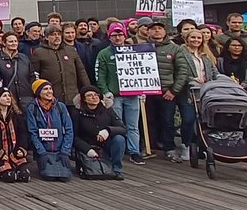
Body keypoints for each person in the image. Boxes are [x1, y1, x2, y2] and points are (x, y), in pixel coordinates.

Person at [94, 23, 143, 166]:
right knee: (117, 125)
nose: (117, 38)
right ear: (109, 37)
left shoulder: (134, 51)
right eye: (114, 35)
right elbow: (100, 75)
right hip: (114, 96)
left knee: (133, 125)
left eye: (120, 34)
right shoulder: (104, 54)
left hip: (133, 94)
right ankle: (118, 150)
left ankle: (134, 152)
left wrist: (144, 89)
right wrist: (105, 91)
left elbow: (143, 70)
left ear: (124, 36)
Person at [169, 28, 218, 162]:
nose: (196, 40)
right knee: (188, 119)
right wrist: (192, 79)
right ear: (187, 39)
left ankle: (203, 147)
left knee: (203, 122)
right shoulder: (181, 52)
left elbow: (214, 71)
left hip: (205, 92)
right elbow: (177, 71)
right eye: (193, 37)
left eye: (198, 38)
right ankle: (186, 145)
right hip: (187, 92)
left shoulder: (205, 55)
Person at [217, 37, 247, 155]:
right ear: (228, 47)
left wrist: (246, 84)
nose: (237, 48)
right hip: (227, 94)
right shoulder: (220, 61)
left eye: (239, 46)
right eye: (234, 45)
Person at [147, 19, 185, 158]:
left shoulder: (175, 48)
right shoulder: (141, 47)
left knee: (168, 121)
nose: (157, 31)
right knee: (150, 120)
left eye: (160, 28)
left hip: (167, 91)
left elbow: (182, 71)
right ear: (148, 32)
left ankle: (169, 147)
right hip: (147, 92)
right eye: (153, 28)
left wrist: (174, 90)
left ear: (165, 32)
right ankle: (151, 146)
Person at [71, 85, 127, 179]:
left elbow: (123, 128)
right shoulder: (77, 112)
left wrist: (108, 130)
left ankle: (117, 170)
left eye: (96, 94)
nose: (94, 97)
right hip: (87, 145)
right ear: (84, 99)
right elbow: (74, 136)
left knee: (119, 139)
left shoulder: (107, 110)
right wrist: (87, 149)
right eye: (90, 95)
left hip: (104, 144)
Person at [29, 24, 90, 107]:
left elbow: (81, 72)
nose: (57, 37)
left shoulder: (71, 50)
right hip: (51, 99)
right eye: (53, 34)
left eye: (59, 34)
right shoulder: (39, 52)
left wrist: (88, 89)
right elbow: (35, 75)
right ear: (46, 37)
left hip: (73, 98)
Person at [25, 78, 74, 181]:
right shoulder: (32, 108)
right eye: (45, 89)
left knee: (65, 177)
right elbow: (32, 132)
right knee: (49, 176)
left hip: (60, 150)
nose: (49, 91)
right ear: (38, 92)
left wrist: (65, 151)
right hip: (44, 151)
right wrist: (41, 152)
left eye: (50, 88)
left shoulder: (60, 106)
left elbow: (69, 130)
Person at [0, 32, 35, 112]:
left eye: (15, 41)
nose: (14, 43)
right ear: (4, 43)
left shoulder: (24, 58)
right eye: (11, 41)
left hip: (26, 99)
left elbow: (32, 76)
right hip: (8, 101)